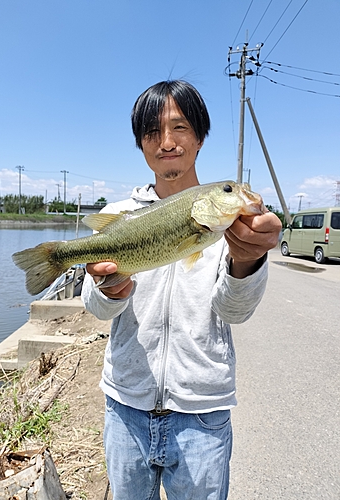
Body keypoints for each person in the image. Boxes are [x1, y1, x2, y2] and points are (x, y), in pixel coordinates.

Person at [81, 80, 282, 499]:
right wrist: (108, 292)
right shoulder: (117, 216)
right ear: (140, 143)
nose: (167, 142)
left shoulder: (228, 225)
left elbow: (235, 311)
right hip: (125, 408)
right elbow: (96, 309)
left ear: (201, 136)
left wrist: (247, 261)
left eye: (180, 127)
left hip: (203, 414)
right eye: (153, 131)